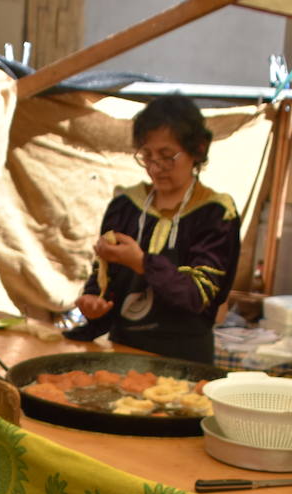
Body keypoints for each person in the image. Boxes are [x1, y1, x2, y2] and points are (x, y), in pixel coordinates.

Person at [63, 94, 240, 364]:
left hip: (185, 360)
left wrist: (143, 263)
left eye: (168, 156)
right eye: (147, 155)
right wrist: (94, 302)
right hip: (124, 351)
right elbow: (104, 277)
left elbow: (197, 295)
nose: (156, 167)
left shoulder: (216, 213)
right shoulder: (125, 206)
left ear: (198, 149)